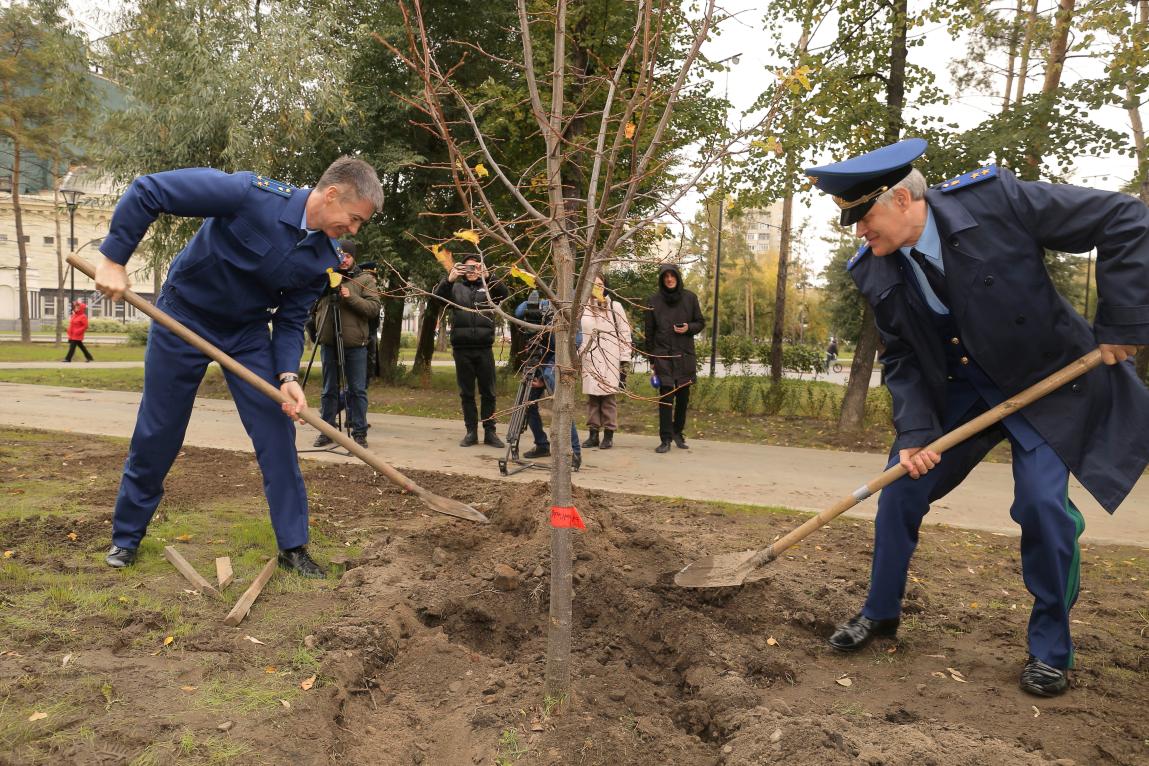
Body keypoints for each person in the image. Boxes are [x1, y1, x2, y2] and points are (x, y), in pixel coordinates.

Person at [805, 138, 1149, 697]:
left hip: (1043, 385)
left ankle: (1051, 651)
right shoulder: (874, 270)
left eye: (863, 217)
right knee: (900, 489)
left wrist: (1124, 319)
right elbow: (902, 357)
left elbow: (1123, 217)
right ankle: (881, 611)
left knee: (1042, 507)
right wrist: (916, 433)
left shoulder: (996, 202)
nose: (859, 233)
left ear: (900, 198)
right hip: (959, 396)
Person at [93, 156, 384, 578]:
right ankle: (126, 537)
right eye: (354, 219)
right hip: (183, 318)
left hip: (245, 335)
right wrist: (114, 259)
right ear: (333, 193)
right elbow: (149, 191)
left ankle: (293, 546)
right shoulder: (249, 194)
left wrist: (287, 376)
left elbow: (288, 320)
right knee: (160, 429)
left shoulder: (323, 257)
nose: (354, 231)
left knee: (277, 431)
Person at [433, 253, 508, 448]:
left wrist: (489, 276)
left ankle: (490, 432)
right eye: (468, 268)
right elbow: (438, 300)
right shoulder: (456, 288)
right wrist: (449, 279)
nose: (472, 271)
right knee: (466, 393)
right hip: (462, 348)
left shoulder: (489, 287)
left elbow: (504, 294)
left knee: (489, 393)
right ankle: (471, 432)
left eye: (476, 267)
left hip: (484, 348)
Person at [311, 241, 380, 448]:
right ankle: (327, 431)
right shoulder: (324, 278)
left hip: (355, 343)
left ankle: (359, 433)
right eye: (339, 255)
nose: (343, 259)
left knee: (357, 390)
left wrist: (350, 298)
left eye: (347, 256)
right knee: (328, 390)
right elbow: (310, 305)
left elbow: (373, 308)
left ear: (353, 258)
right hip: (328, 342)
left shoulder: (364, 279)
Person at [514, 291, 581, 470]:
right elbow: (519, 313)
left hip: (557, 360)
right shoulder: (544, 305)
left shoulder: (572, 311)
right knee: (526, 403)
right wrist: (533, 301)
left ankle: (574, 453)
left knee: (562, 406)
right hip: (538, 357)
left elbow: (576, 342)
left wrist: (545, 378)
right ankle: (542, 445)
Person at [644, 264, 704, 453]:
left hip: (684, 355)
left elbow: (700, 322)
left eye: (672, 276)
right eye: (666, 276)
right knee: (666, 397)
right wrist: (652, 359)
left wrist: (689, 328)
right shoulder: (653, 301)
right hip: (663, 356)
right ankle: (665, 439)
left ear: (678, 277)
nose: (669, 279)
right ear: (662, 279)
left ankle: (678, 432)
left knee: (683, 398)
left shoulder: (690, 298)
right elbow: (649, 333)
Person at [579, 275, 632, 449]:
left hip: (610, 358)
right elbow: (579, 334)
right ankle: (593, 433)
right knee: (593, 398)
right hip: (589, 359)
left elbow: (624, 334)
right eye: (593, 284)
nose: (597, 288)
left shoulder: (615, 307)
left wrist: (624, 360)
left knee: (608, 398)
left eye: (600, 285)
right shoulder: (582, 308)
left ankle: (608, 433)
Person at [357, 261, 382, 381]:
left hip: (371, 331)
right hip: (361, 333)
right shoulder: (359, 292)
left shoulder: (374, 291)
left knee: (370, 365)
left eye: (374, 277)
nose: (374, 280)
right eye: (370, 277)